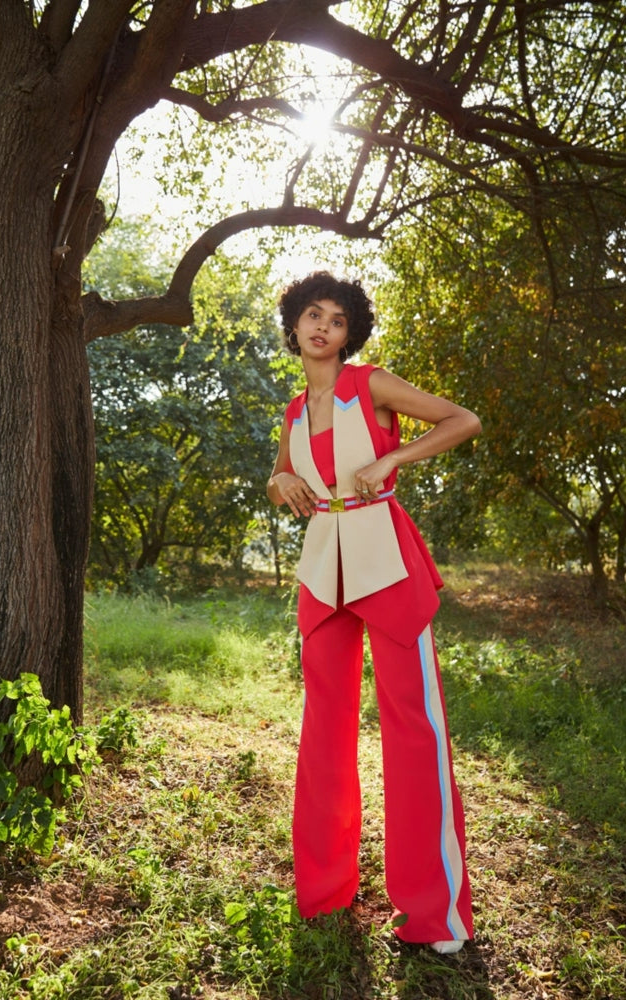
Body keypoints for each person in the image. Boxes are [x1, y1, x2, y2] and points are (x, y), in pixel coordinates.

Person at [266, 271, 481, 955]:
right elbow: (280, 477)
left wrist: (395, 458)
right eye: (313, 314)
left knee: (413, 729)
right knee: (323, 732)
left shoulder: (372, 384)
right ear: (295, 324)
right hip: (322, 570)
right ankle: (326, 893)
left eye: (337, 319)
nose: (323, 327)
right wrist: (281, 479)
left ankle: (435, 917)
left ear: (349, 332)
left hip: (386, 559)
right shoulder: (293, 410)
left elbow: (462, 419)